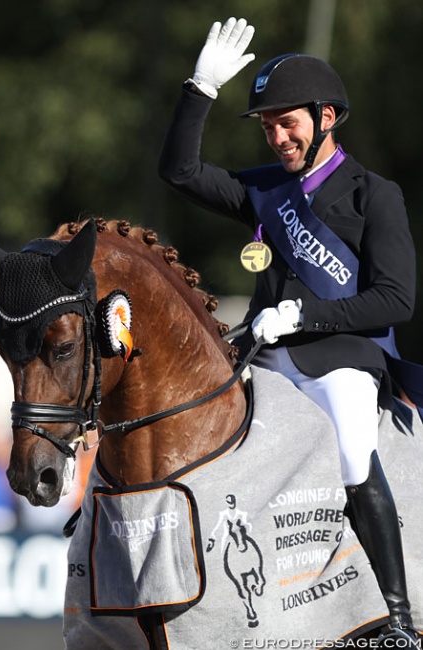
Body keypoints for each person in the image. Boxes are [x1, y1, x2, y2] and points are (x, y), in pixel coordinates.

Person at [158, 16, 419, 645]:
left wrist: (306, 315)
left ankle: (398, 618)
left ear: (327, 117)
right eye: (269, 126)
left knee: (355, 450)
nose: (277, 137)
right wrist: (200, 90)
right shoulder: (267, 190)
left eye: (288, 122)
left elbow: (396, 300)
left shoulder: (374, 196)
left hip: (343, 358)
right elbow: (181, 173)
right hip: (267, 354)